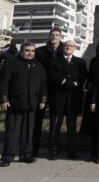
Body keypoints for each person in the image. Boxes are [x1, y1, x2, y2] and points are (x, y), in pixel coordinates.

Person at [0, 43, 47, 167]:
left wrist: (43, 100)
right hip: (15, 103)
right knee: (12, 131)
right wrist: (3, 99)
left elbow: (43, 85)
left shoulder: (38, 65)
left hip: (32, 103)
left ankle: (26, 154)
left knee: (28, 131)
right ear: (21, 51)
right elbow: (3, 83)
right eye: (27, 50)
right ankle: (7, 157)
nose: (30, 53)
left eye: (32, 51)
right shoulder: (12, 64)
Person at [47, 40, 87, 160]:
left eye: (71, 46)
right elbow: (51, 75)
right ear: (62, 47)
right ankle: (53, 150)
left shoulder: (80, 62)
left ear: (74, 48)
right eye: (66, 45)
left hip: (73, 99)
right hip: (58, 98)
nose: (68, 47)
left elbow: (83, 76)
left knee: (72, 126)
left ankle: (71, 151)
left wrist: (75, 83)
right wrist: (64, 81)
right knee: (55, 125)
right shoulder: (54, 61)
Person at [33, 27, 64, 156]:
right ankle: (34, 146)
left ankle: (53, 147)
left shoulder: (65, 50)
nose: (54, 37)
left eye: (57, 35)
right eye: (52, 35)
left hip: (57, 89)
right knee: (37, 118)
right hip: (42, 87)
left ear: (60, 37)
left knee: (55, 118)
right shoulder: (40, 52)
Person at [81, 40, 99, 160]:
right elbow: (91, 76)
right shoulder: (94, 60)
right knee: (93, 124)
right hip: (93, 93)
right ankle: (93, 150)